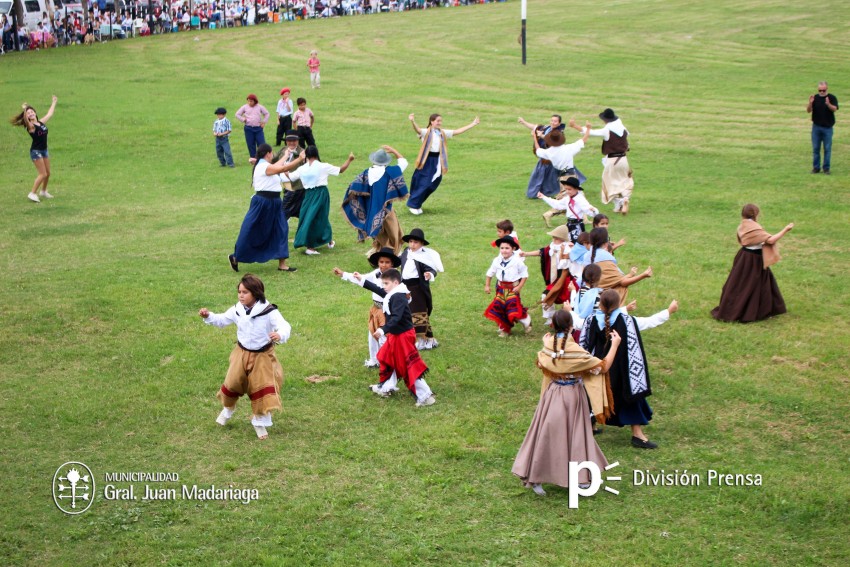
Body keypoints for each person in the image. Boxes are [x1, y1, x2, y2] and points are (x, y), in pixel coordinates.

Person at [512, 310, 620, 495]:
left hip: (552, 394)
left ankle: (537, 476)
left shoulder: (548, 345)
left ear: (553, 326)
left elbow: (543, 361)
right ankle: (580, 478)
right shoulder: (575, 351)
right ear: (571, 327)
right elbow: (602, 367)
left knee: (546, 434)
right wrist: (615, 345)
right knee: (576, 435)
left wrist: (545, 344)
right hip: (572, 396)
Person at [199, 274, 291, 440]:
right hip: (241, 354)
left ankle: (259, 422)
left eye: (245, 292)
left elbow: (284, 326)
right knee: (232, 382)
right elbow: (222, 319)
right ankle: (228, 409)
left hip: (262, 357)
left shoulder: (269, 311)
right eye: (239, 292)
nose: (241, 295)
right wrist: (208, 316)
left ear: (256, 293)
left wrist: (280, 334)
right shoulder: (237, 309)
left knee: (261, 387)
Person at [579, 289, 656, 449]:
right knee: (631, 398)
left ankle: (590, 426)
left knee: (593, 396)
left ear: (600, 304)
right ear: (619, 304)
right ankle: (637, 434)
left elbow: (585, 344)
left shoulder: (591, 319)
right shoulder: (627, 321)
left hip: (597, 368)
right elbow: (633, 349)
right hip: (621, 371)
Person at [351, 268, 437, 406]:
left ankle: (425, 396)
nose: (383, 286)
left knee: (407, 365)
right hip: (397, 334)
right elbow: (377, 289)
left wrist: (383, 329)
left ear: (396, 283)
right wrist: (362, 279)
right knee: (386, 357)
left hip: (403, 336)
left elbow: (396, 317)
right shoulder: (393, 292)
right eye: (383, 283)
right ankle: (385, 387)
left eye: (386, 283)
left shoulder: (398, 297)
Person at [711, 204, 793, 323]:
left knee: (742, 283)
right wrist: (786, 229)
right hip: (753, 260)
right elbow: (770, 240)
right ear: (756, 214)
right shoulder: (753, 228)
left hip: (744, 257)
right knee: (750, 285)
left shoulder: (743, 225)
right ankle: (748, 311)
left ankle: (755, 309)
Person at [228, 144, 297, 273]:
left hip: (275, 202)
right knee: (251, 230)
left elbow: (278, 167)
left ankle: (282, 264)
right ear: (268, 153)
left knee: (282, 229)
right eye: (272, 153)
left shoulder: (266, 166)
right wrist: (299, 159)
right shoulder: (263, 166)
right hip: (262, 202)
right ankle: (236, 257)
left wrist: (286, 156)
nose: (273, 155)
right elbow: (282, 168)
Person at [333, 247, 402, 368]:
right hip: (376, 309)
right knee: (372, 334)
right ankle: (374, 359)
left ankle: (388, 361)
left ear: (392, 264)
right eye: (381, 262)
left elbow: (383, 291)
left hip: (387, 311)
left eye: (387, 262)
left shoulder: (395, 278)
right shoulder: (376, 273)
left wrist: (364, 281)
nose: (384, 265)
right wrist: (344, 274)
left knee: (384, 336)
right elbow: (361, 278)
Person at [284, 145, 355, 255]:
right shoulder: (323, 166)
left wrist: (284, 165)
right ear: (316, 154)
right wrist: (349, 160)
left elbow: (290, 176)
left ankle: (328, 240)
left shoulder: (302, 168)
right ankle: (310, 247)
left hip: (308, 195)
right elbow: (341, 170)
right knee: (315, 217)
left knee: (315, 216)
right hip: (320, 193)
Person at [406, 112, 479, 215]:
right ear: (432, 121)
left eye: (440, 121)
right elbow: (417, 130)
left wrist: (473, 124)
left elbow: (457, 131)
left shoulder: (442, 132)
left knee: (434, 182)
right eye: (438, 121)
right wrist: (413, 121)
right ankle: (413, 204)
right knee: (423, 182)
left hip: (437, 161)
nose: (440, 123)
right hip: (426, 160)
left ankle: (417, 203)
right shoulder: (426, 132)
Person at [341, 146, 409, 255]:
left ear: (373, 161)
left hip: (372, 210)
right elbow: (404, 162)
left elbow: (353, 188)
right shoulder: (390, 172)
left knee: (378, 231)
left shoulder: (365, 173)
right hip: (386, 208)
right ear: (386, 162)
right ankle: (393, 252)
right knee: (394, 231)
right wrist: (393, 151)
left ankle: (381, 250)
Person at [576, 108, 634, 215]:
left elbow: (591, 133)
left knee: (608, 184)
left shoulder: (607, 131)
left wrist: (575, 126)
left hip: (612, 161)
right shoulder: (623, 129)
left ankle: (620, 201)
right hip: (623, 160)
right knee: (624, 181)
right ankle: (624, 200)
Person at [399, 228, 443, 350]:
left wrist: (430, 274)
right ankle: (412, 337)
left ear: (422, 243)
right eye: (411, 242)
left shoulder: (424, 256)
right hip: (404, 287)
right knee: (407, 311)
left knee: (419, 312)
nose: (412, 245)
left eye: (416, 242)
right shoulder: (406, 252)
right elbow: (400, 263)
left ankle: (422, 339)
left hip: (417, 288)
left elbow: (431, 268)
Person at [520, 225, 575, 325]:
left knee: (567, 298)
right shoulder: (551, 248)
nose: (554, 240)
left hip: (565, 278)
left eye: (556, 238)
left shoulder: (568, 249)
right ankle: (550, 317)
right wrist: (526, 254)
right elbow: (541, 252)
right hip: (554, 278)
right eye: (553, 238)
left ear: (562, 239)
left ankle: (569, 318)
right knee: (546, 295)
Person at [10, 96, 58, 203]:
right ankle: (32, 193)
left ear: (35, 113)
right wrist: (25, 110)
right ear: (27, 117)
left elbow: (49, 114)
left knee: (48, 173)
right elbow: (26, 120)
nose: (31, 113)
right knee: (43, 174)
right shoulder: (31, 126)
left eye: (32, 112)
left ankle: (43, 191)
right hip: (36, 152)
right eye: (28, 113)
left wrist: (54, 102)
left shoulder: (40, 122)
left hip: (44, 150)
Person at [587, 227, 651, 305]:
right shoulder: (606, 260)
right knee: (621, 287)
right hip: (601, 302)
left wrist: (630, 274)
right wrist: (643, 275)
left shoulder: (586, 256)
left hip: (587, 297)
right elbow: (622, 282)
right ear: (606, 243)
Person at [484, 236, 532, 337]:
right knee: (500, 308)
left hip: (513, 289)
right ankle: (505, 329)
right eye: (502, 248)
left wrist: (519, 287)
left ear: (513, 248)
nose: (504, 250)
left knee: (513, 308)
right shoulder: (496, 260)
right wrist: (487, 285)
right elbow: (490, 273)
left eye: (507, 248)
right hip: (500, 289)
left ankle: (526, 321)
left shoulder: (517, 261)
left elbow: (524, 275)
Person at [537, 176, 599, 243]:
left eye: (569, 189)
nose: (567, 191)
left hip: (577, 225)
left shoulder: (580, 199)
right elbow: (557, 204)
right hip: (569, 224)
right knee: (567, 242)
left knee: (576, 243)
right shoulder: (567, 198)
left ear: (576, 189)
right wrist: (544, 197)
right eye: (566, 189)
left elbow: (588, 208)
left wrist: (594, 211)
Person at [518, 114, 567, 199]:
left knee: (550, 176)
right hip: (544, 157)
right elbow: (535, 127)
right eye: (552, 120)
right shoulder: (546, 128)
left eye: (555, 121)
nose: (553, 122)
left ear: (559, 123)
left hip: (552, 159)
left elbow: (553, 141)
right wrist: (524, 122)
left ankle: (545, 192)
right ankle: (544, 192)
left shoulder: (559, 132)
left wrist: (541, 136)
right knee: (545, 176)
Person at [272, 130, 306, 219]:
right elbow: (273, 161)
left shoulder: (303, 153)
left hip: (296, 188)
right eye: (289, 140)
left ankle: (280, 226)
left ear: (298, 141)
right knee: (300, 212)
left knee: (283, 212)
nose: (291, 143)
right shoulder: (283, 150)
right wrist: (258, 161)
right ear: (286, 141)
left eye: (294, 140)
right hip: (286, 187)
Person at [807, 81, 838, 174]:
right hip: (816, 127)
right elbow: (808, 111)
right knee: (816, 149)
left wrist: (828, 104)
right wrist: (810, 103)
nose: (821, 92)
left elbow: (835, 109)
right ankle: (816, 168)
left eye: (823, 90)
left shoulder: (832, 98)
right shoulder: (815, 98)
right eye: (819, 90)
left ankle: (826, 168)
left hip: (828, 128)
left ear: (826, 89)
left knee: (827, 149)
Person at [235, 94, 269, 160]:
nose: (249, 102)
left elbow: (267, 114)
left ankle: (262, 157)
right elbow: (237, 114)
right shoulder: (245, 107)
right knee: (250, 144)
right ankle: (253, 158)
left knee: (261, 143)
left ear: (255, 101)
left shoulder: (260, 107)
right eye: (248, 101)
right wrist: (243, 119)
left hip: (258, 128)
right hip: (248, 128)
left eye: (251, 101)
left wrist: (264, 121)